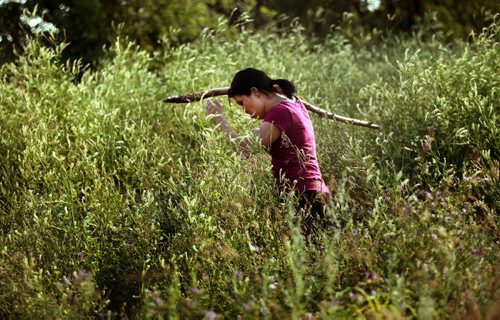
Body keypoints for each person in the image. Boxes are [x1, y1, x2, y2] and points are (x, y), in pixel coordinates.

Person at [205, 68, 330, 236]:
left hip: (303, 195)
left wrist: (220, 121)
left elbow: (246, 148)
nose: (244, 111)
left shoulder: (281, 111)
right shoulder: (294, 103)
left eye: (242, 103)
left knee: (310, 256)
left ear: (255, 92)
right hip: (312, 192)